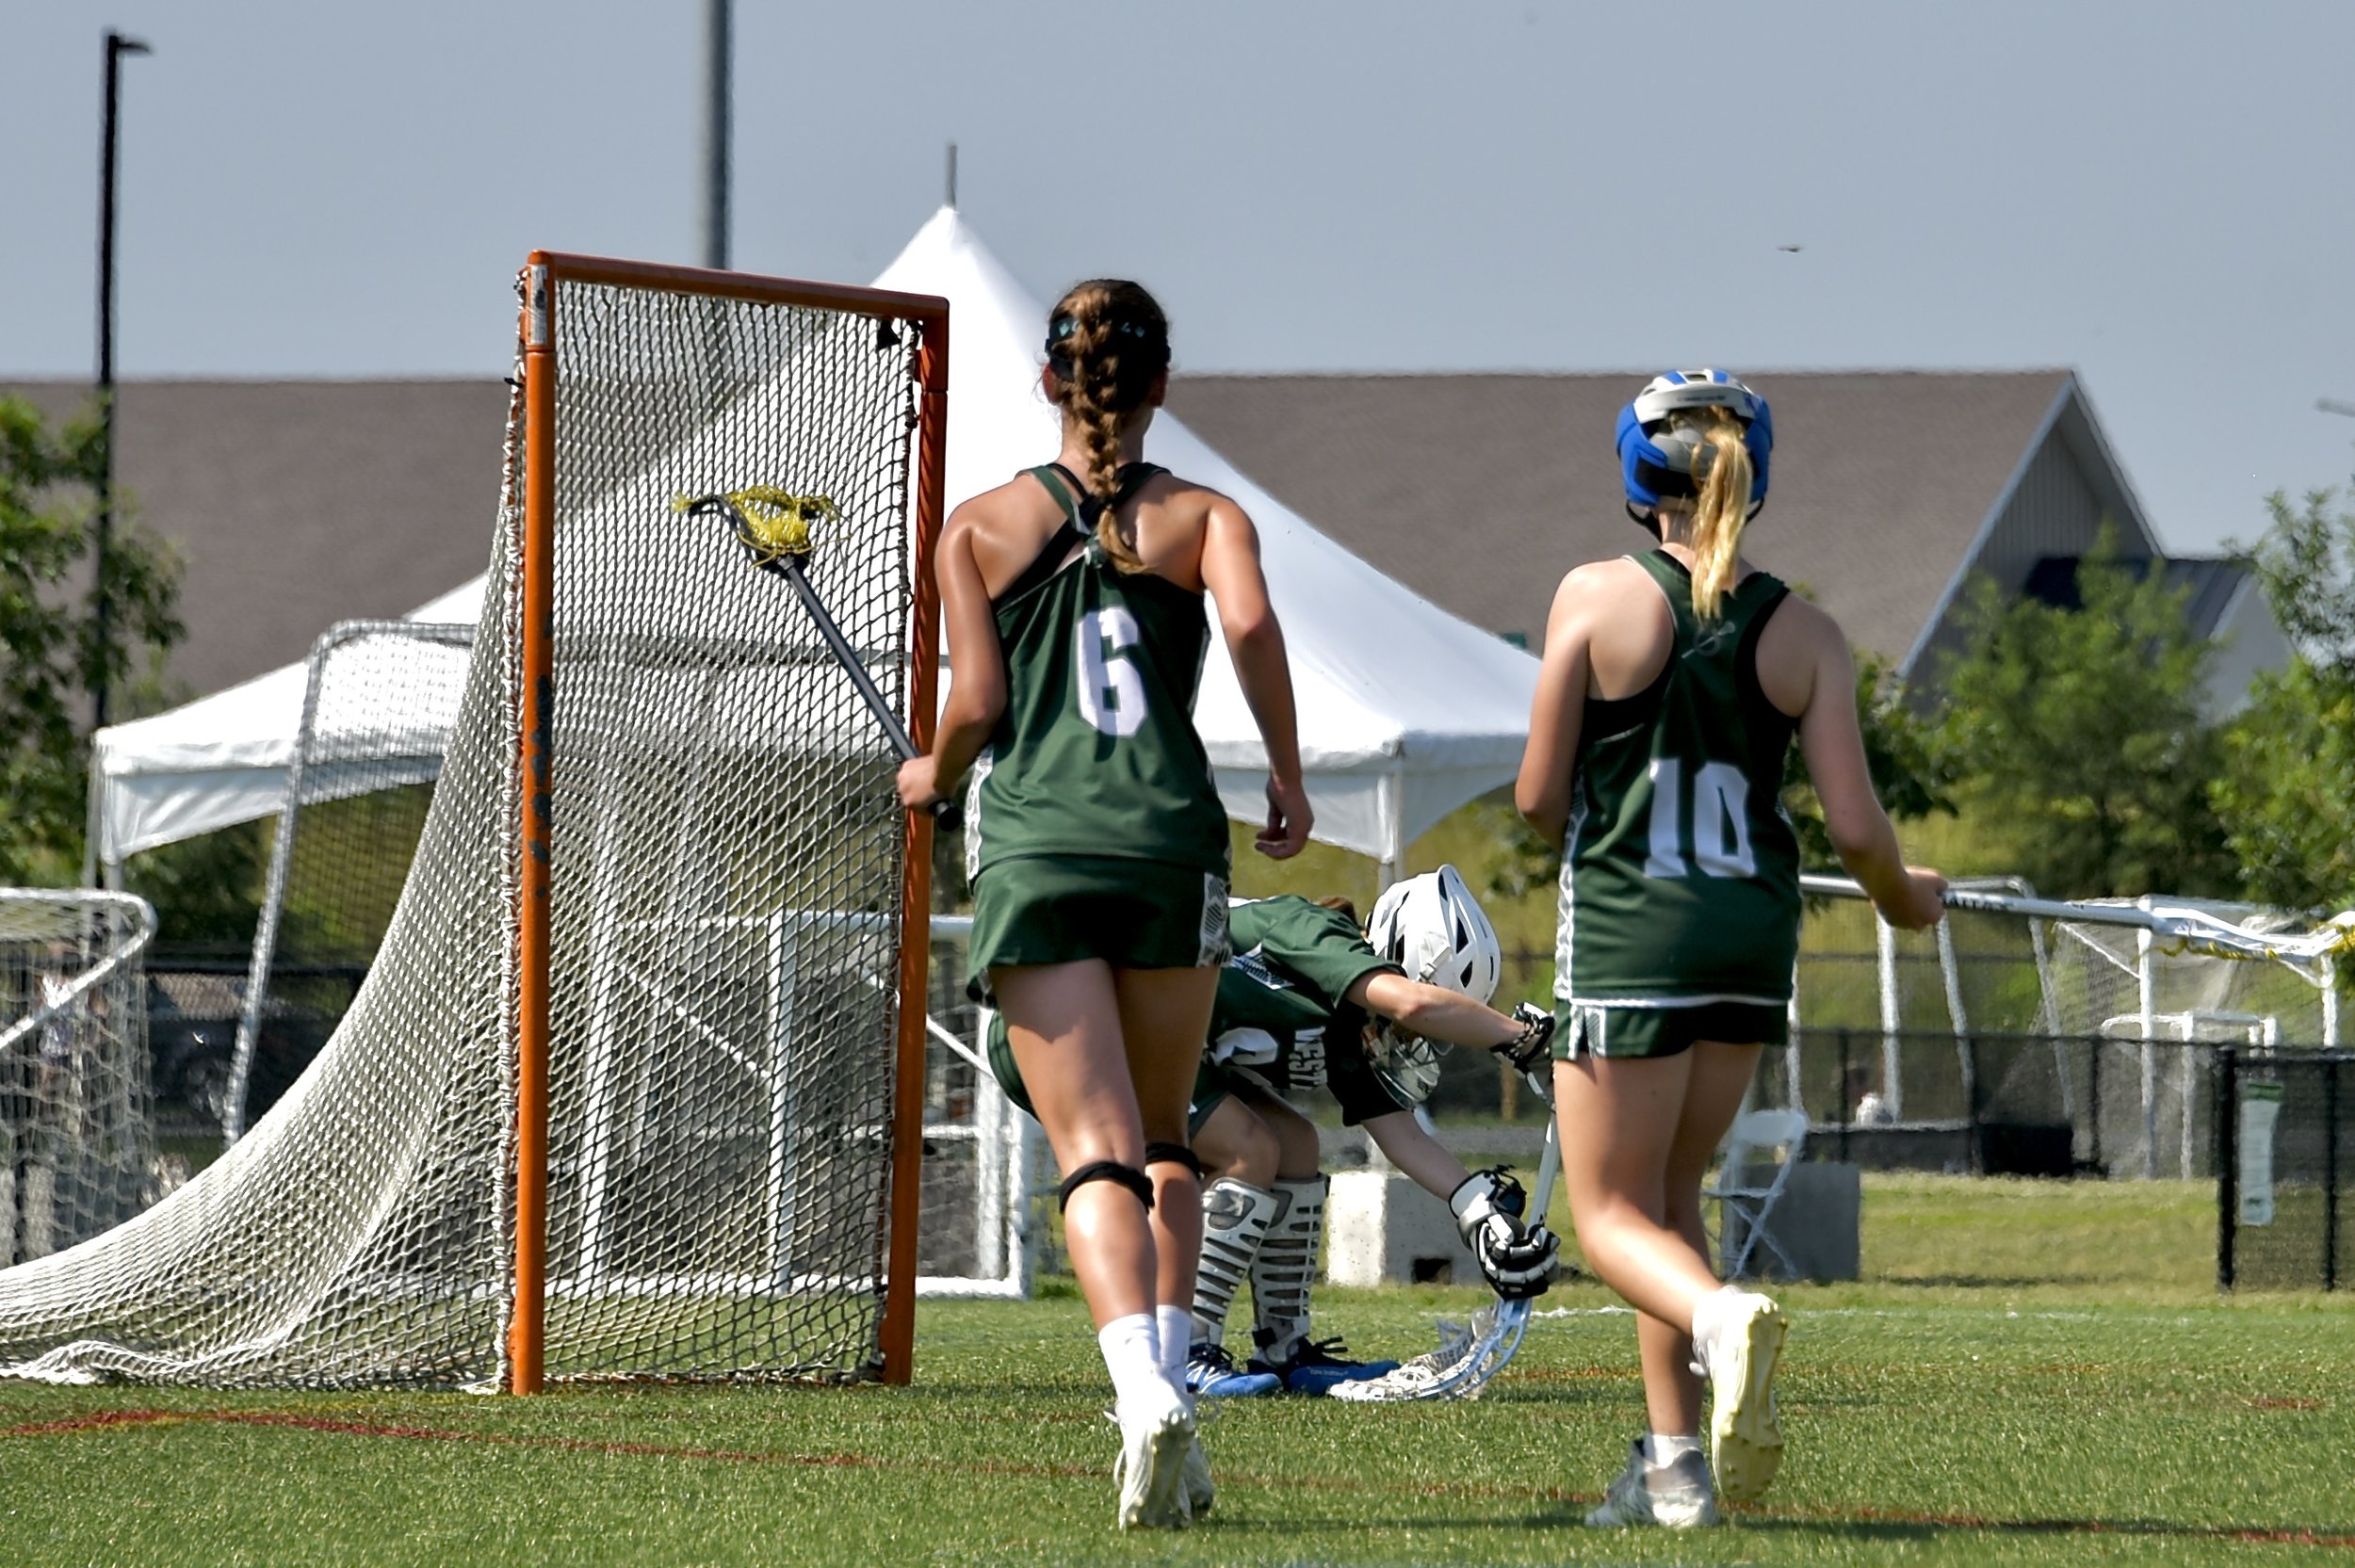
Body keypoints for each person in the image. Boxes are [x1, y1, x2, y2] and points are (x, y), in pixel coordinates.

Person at [896, 279, 1309, 1532]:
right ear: (1160, 384)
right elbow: (1251, 625)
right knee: (1169, 1138)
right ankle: (1173, 1386)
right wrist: (1286, 774)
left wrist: (933, 775)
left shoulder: (977, 528)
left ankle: (1140, 1393)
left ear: (1049, 382)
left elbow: (975, 708)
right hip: (1170, 846)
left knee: (1094, 1150)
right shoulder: (1210, 517)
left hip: (1038, 851)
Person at [1516, 370, 1945, 1529]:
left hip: (1629, 934)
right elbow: (1858, 830)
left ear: (1635, 472)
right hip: (1747, 942)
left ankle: (1718, 1318)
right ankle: (1673, 1471)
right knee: (1669, 1197)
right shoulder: (1805, 633)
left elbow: (1538, 798)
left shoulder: (1591, 597)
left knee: (1606, 1218)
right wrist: (1905, 899)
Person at [1178, 868, 1561, 1398]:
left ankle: (1285, 1350)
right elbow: (1413, 1004)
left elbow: (1402, 1136)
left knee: (1297, 1146)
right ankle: (1184, 1349)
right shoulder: (1313, 931)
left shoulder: (1352, 1025)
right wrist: (1521, 1038)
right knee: (1251, 1150)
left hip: (1180, 1050)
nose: (1416, 1038)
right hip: (1130, 1029)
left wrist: (1478, 1212)